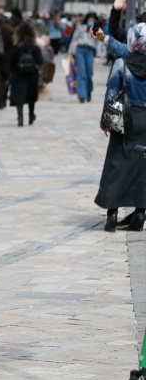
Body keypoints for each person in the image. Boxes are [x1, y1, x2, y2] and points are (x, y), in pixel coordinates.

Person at [95, 23, 146, 232]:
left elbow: (111, 95)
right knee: (143, 168)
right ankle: (140, 213)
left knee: (116, 163)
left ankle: (112, 213)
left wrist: (105, 122)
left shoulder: (120, 64)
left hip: (124, 119)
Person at [9, 23, 43, 127]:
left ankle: (20, 117)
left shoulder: (16, 48)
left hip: (18, 74)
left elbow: (11, 62)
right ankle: (31, 115)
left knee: (19, 96)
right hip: (32, 75)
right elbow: (40, 61)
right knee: (31, 96)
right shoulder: (34, 48)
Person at [68, 13, 101, 103]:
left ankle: (88, 91)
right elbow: (74, 39)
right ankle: (81, 95)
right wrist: (71, 52)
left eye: (93, 19)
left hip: (90, 51)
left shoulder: (97, 29)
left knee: (89, 73)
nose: (91, 21)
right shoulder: (80, 28)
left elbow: (98, 43)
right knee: (81, 72)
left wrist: (98, 56)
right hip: (80, 50)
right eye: (90, 19)